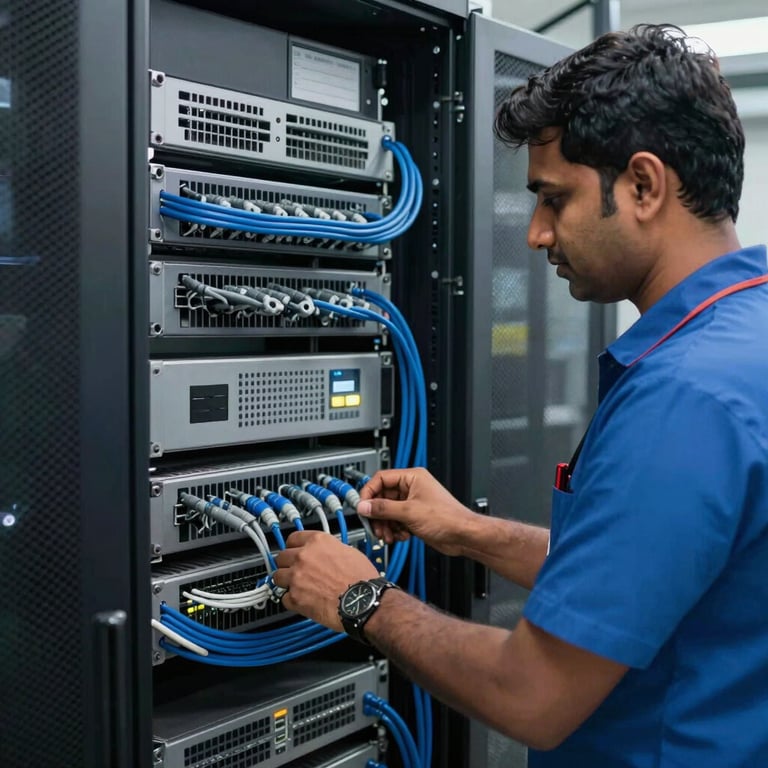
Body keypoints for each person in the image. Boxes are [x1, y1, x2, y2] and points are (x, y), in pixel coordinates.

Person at [273, 24, 768, 767]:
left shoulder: (684, 399)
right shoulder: (744, 337)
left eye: (554, 199)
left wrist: (361, 600)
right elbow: (640, 573)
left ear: (642, 185)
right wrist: (467, 531)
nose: (536, 234)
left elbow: (531, 696)